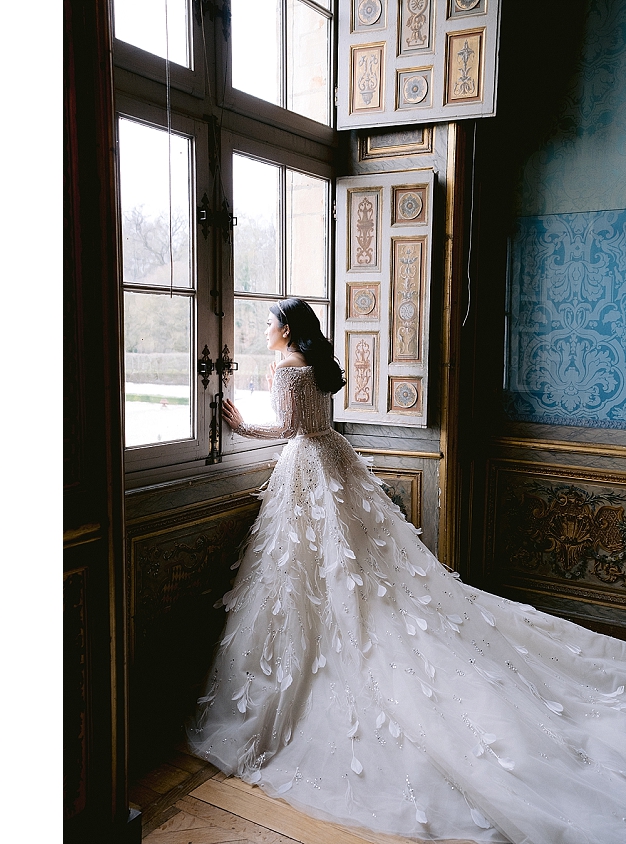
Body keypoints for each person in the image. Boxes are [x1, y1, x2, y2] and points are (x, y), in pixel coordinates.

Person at [188, 298, 626, 844]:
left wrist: (236, 425)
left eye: (270, 323)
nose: (266, 330)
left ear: (288, 330)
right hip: (337, 461)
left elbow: (287, 429)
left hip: (306, 468)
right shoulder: (320, 366)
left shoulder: (286, 371)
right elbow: (315, 424)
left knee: (315, 574)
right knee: (361, 570)